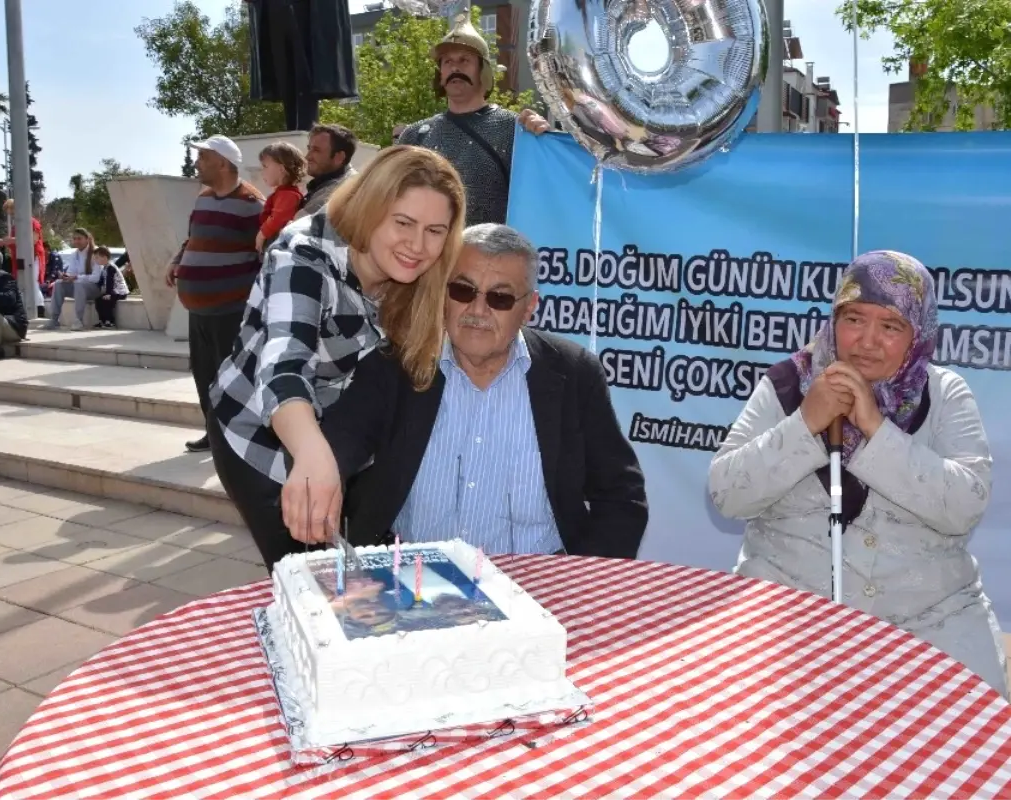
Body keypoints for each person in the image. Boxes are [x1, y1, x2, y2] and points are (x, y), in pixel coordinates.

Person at [708, 251, 1007, 696]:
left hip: (930, 621)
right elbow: (727, 495)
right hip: (788, 613)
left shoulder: (945, 395)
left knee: (968, 748)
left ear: (918, 333)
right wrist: (805, 423)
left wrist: (875, 427)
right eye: (853, 319)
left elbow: (964, 506)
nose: (867, 341)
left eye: (890, 327)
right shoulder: (787, 385)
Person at [209, 145, 466, 572]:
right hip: (258, 432)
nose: (417, 246)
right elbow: (283, 364)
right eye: (403, 222)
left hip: (342, 437)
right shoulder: (303, 254)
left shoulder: (424, 275)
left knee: (359, 578)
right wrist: (313, 454)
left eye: (435, 230)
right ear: (370, 207)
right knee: (308, 580)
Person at [324, 223, 649, 559]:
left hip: (535, 587)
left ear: (529, 308)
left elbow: (621, 495)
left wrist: (582, 581)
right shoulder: (399, 363)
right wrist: (322, 478)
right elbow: (339, 443)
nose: (478, 310)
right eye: (463, 291)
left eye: (500, 297)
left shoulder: (574, 374)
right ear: (444, 294)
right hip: (412, 580)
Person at [396, 14, 550, 226]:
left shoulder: (514, 130)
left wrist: (544, 140)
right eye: (447, 62)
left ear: (483, 71)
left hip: (490, 254)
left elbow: (543, 196)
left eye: (464, 60)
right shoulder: (415, 135)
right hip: (429, 253)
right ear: (440, 73)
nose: (455, 68)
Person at [165, 135, 265, 453]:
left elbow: (265, 253)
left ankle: (235, 441)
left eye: (204, 157)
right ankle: (213, 434)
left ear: (223, 163)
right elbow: (194, 237)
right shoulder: (204, 197)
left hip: (231, 309)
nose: (197, 163)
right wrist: (178, 259)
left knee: (231, 376)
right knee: (204, 374)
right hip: (199, 309)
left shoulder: (252, 204)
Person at [244, 0, 357, 132]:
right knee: (282, 67)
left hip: (306, 7)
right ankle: (293, 127)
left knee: (305, 65)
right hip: (273, 7)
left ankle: (306, 127)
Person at [0, 198, 46, 313]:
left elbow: (33, 239)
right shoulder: (16, 225)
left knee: (31, 282)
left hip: (33, 256)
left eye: (12, 212)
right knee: (24, 283)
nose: (11, 215)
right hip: (21, 257)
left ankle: (39, 308)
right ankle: (31, 308)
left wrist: (10, 240)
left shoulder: (32, 222)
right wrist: (5, 242)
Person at [296, 123, 357, 219]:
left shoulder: (336, 191)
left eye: (316, 150)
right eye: (309, 149)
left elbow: (291, 229)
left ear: (339, 157)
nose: (307, 157)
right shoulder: (343, 180)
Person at [45, 228, 100, 330]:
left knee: (78, 283)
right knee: (58, 283)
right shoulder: (75, 254)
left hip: (95, 288)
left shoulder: (96, 252)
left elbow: (96, 278)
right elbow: (72, 272)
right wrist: (66, 276)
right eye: (74, 239)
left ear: (87, 239)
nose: (76, 241)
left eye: (79, 239)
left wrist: (77, 277)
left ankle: (78, 320)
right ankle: (54, 319)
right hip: (78, 287)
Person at [256, 142, 306, 252]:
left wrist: (262, 233)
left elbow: (278, 218)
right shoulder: (282, 193)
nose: (262, 171)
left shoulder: (288, 195)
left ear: (281, 169)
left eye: (265, 166)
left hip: (277, 243)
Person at [92, 246, 130, 329]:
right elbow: (101, 281)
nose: (95, 260)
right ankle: (102, 320)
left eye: (97, 258)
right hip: (112, 291)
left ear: (104, 257)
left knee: (107, 301)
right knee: (98, 300)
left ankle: (110, 321)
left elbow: (110, 282)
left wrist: (109, 293)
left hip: (120, 292)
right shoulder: (105, 268)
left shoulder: (111, 268)